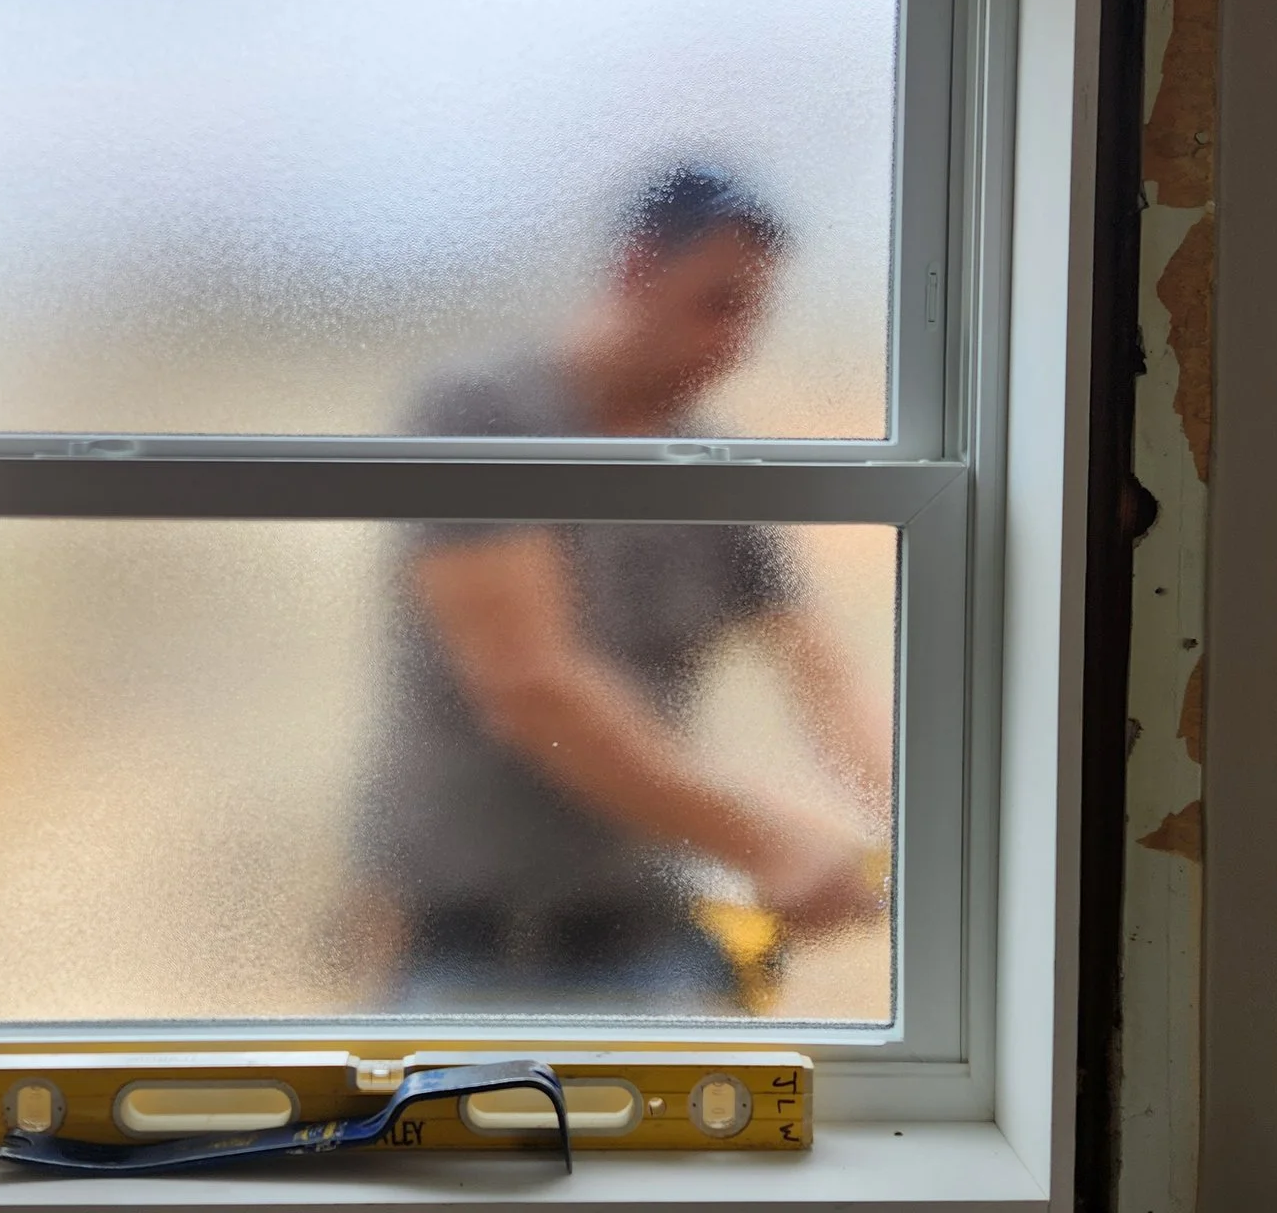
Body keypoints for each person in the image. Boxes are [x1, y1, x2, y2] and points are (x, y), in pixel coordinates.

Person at [354, 165, 891, 1016]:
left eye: (753, 313)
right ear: (638, 270)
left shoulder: (712, 469)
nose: (735, 343)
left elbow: (823, 673)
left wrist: (921, 822)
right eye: (717, 304)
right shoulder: (487, 413)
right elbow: (531, 688)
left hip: (647, 934)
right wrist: (771, 842)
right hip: (473, 946)